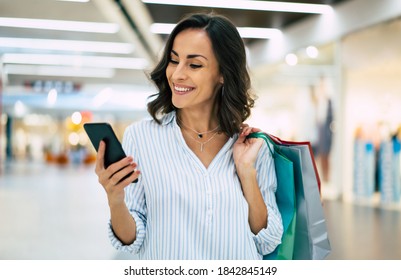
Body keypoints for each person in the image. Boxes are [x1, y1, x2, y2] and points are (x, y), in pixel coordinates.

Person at [94, 13, 283, 260]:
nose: (177, 74)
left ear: (223, 74)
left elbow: (267, 241)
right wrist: (115, 199)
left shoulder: (253, 146)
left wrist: (247, 173)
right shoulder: (141, 137)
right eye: (174, 61)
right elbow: (131, 240)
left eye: (194, 65)